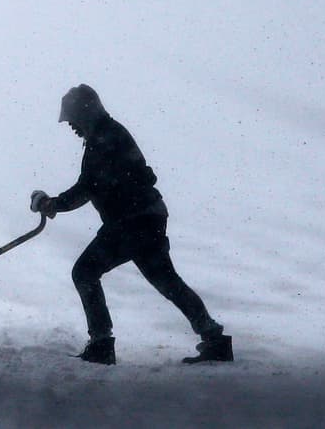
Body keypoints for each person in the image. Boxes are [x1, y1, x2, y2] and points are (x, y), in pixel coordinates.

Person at [30, 84, 233, 365]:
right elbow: (96, 184)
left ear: (85, 114)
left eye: (74, 119)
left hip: (132, 221)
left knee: (85, 272)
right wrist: (58, 203)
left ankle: (101, 343)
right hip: (145, 217)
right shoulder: (106, 134)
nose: (72, 127)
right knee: (166, 281)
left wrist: (55, 204)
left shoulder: (105, 139)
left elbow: (89, 186)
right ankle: (214, 338)